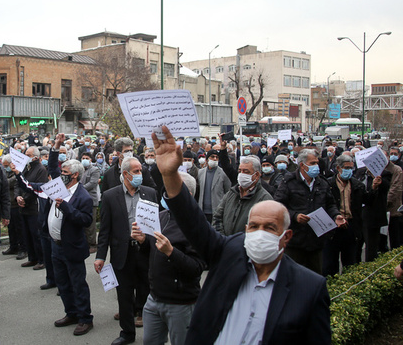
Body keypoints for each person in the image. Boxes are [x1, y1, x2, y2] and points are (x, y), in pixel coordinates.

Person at [151, 125, 332, 345]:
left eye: (270, 228)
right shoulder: (228, 253)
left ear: (286, 236)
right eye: (254, 226)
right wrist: (170, 176)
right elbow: (193, 221)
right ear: (246, 230)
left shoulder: (309, 288)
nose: (260, 234)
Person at [14, 134, 94, 336]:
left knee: (77, 284)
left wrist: (66, 208)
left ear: (74, 175)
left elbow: (85, 220)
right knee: (63, 283)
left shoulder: (82, 196)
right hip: (55, 245)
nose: (61, 174)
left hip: (72, 247)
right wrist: (56, 147)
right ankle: (71, 313)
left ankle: (85, 318)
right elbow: (51, 168)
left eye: (65, 172)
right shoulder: (58, 186)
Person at [131, 172, 205, 345]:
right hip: (154, 298)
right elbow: (151, 252)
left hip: (181, 303)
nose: (165, 195)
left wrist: (172, 252)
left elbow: (197, 268)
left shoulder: (197, 225)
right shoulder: (162, 216)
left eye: (171, 190)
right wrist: (143, 241)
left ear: (187, 194)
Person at [95, 156, 158, 345]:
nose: (141, 174)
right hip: (122, 254)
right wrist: (100, 257)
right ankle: (127, 333)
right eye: (137, 171)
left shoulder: (150, 193)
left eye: (141, 170)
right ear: (125, 174)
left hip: (145, 251)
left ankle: (151, 332)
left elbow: (157, 226)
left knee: (146, 292)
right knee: (124, 295)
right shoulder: (110, 196)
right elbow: (104, 230)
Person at [274, 148, 346, 274]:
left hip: (316, 241)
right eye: (312, 163)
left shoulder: (322, 183)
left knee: (315, 276)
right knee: (293, 277)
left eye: (317, 163)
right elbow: (278, 206)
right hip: (295, 241)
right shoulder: (289, 182)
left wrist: (336, 215)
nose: (316, 166)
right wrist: (295, 216)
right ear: (302, 165)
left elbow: (330, 204)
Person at [322, 155, 369, 276]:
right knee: (330, 264)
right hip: (333, 227)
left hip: (351, 226)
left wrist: (374, 189)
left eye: (351, 168)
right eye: (346, 168)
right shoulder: (328, 184)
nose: (349, 170)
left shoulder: (357, 185)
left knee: (351, 263)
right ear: (338, 168)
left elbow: (367, 201)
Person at [212, 156, 273, 236]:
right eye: (240, 171)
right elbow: (217, 216)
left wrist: (237, 243)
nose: (241, 174)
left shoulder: (265, 199)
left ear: (257, 175)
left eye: (246, 171)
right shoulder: (231, 193)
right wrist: (223, 240)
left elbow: (263, 230)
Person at [15, 146, 48, 269]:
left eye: (28, 155)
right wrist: (18, 196)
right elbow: (19, 183)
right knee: (27, 233)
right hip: (23, 206)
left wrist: (25, 199)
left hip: (33, 206)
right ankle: (32, 258)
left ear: (35, 157)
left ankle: (41, 259)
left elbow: (37, 188)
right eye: (25, 154)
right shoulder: (25, 168)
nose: (26, 157)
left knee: (36, 234)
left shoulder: (41, 170)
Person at [0, 155, 27, 259]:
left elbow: (8, 183)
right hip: (9, 204)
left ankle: (23, 249)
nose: (5, 167)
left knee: (19, 228)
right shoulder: (6, 172)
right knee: (11, 227)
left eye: (6, 165)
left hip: (16, 204)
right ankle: (13, 246)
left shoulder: (18, 173)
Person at [197, 150, 232, 223]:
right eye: (212, 157)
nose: (215, 159)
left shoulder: (223, 173)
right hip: (203, 211)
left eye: (217, 157)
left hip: (217, 210)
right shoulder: (201, 172)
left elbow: (228, 191)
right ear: (207, 160)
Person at [80, 152, 101, 253]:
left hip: (90, 199)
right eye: (83, 158)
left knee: (91, 224)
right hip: (81, 200)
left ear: (90, 160)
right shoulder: (80, 170)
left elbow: (92, 183)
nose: (84, 159)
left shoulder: (94, 170)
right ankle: (85, 243)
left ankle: (93, 244)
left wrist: (79, 189)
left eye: (86, 158)